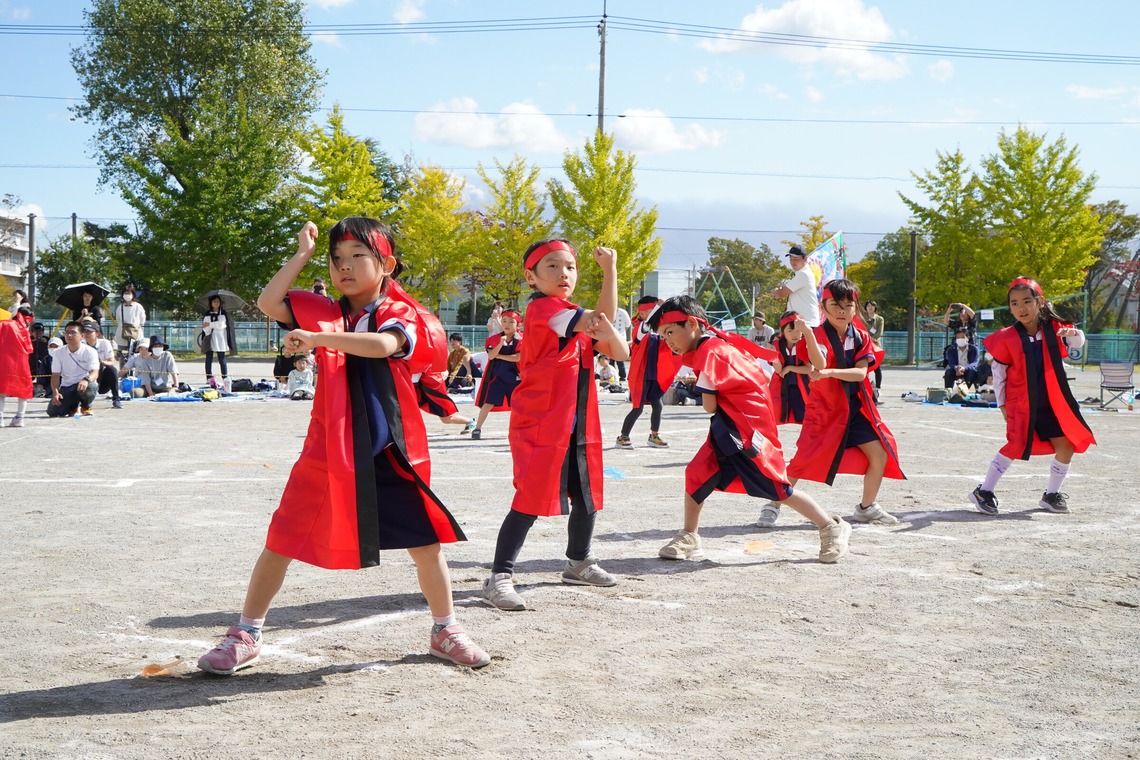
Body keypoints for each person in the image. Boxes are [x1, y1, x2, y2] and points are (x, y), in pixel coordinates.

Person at [197, 217, 489, 675]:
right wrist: (302, 256)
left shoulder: (397, 313)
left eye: (358, 257)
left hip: (389, 444)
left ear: (386, 264)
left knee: (425, 543)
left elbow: (382, 345)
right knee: (282, 537)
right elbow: (268, 301)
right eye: (337, 259)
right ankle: (246, 633)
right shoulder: (323, 311)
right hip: (329, 445)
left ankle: (444, 629)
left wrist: (317, 339)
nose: (345, 267)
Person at [481, 239, 629, 611]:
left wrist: (607, 320)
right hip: (542, 421)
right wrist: (609, 272)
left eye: (570, 267)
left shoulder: (571, 320)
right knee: (530, 499)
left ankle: (578, 561)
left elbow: (615, 345)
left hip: (578, 423)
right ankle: (499, 575)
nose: (564, 273)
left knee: (586, 496)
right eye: (552, 266)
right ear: (530, 277)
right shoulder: (545, 309)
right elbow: (602, 323)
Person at [648, 295, 851, 564]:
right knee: (697, 472)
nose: (668, 341)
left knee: (776, 487)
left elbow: (709, 406)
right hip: (735, 423)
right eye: (663, 336)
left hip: (743, 428)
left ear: (693, 324)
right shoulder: (718, 346)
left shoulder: (710, 353)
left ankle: (830, 526)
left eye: (670, 332)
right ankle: (689, 536)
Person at [782, 279, 905, 528]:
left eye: (848, 305)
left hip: (855, 407)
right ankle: (773, 502)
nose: (842, 310)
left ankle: (866, 507)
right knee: (801, 460)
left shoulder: (859, 336)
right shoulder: (816, 334)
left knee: (879, 453)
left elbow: (860, 374)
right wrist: (806, 333)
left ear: (855, 308)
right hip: (825, 409)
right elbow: (819, 362)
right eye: (835, 304)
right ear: (823, 306)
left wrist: (829, 374)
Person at [968, 277, 1095, 516]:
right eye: (1014, 303)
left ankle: (1051, 495)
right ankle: (983, 491)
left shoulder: (1055, 329)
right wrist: (1002, 404)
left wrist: (1073, 332)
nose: (1021, 308)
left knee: (1066, 444)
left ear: (1040, 301)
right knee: (1016, 445)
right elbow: (999, 374)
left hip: (1052, 402)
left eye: (1027, 301)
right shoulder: (1006, 337)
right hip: (1021, 403)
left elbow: (1077, 342)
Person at [616, 296, 677, 449]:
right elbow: (648, 322)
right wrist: (660, 306)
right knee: (638, 408)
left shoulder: (656, 331)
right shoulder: (640, 327)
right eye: (653, 311)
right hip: (640, 374)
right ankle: (623, 436)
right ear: (643, 313)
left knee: (658, 406)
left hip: (653, 374)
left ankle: (654, 435)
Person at [470, 309, 522, 440]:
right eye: (504, 321)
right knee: (488, 403)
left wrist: (498, 355)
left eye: (511, 322)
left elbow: (518, 358)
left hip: (515, 377)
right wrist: (500, 344)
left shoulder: (522, 339)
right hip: (496, 377)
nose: (507, 324)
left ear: (518, 325)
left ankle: (519, 431)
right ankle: (477, 428)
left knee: (519, 406)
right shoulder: (494, 339)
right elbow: (491, 356)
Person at [46, 320, 99, 417]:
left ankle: (85, 406)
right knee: (53, 412)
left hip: (84, 385)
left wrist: (86, 379)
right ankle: (74, 406)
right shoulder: (58, 353)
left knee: (90, 387)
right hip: (67, 387)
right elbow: (55, 375)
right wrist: (55, 393)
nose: (69, 335)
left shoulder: (90, 351)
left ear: (82, 336)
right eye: (67, 332)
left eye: (73, 332)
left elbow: (95, 372)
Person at [769, 311, 811, 425]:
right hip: (782, 386)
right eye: (790, 330)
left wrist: (790, 368)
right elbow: (778, 370)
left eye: (797, 330)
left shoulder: (807, 344)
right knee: (779, 414)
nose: (794, 334)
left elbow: (809, 369)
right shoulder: (777, 345)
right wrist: (773, 354)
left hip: (803, 385)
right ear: (782, 330)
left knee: (806, 417)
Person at [0, 305, 35, 427]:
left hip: (4, 361)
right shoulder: (25, 329)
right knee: (23, 390)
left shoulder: (5, 324)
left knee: (1, 390)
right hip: (21, 362)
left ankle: (0, 417)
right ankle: (20, 417)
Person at [770, 245, 820, 327]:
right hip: (801, 322)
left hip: (807, 322)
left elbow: (781, 293)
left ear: (805, 259)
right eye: (791, 259)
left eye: (796, 259)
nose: (793, 262)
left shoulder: (804, 274)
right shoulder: (801, 274)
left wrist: (775, 291)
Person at [81, 321, 122, 409]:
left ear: (97, 333)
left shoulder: (104, 343)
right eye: (85, 331)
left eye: (89, 331)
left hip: (101, 377)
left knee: (112, 369)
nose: (86, 334)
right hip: (87, 377)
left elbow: (112, 361)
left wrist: (101, 362)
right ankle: (85, 402)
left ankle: (116, 399)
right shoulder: (81, 345)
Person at [202, 294, 237, 389]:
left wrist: (210, 324)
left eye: (218, 301)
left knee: (222, 359)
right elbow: (205, 327)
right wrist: (213, 325)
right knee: (208, 359)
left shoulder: (223, 313)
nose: (216, 303)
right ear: (211, 303)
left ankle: (225, 377)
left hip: (221, 339)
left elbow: (221, 325)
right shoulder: (207, 313)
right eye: (214, 301)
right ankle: (209, 377)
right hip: (210, 338)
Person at [113, 285, 146, 361]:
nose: (127, 295)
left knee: (136, 357)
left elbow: (142, 320)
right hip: (122, 336)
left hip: (136, 336)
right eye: (125, 293)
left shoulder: (138, 306)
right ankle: (123, 372)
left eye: (129, 293)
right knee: (122, 357)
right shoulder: (120, 307)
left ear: (133, 294)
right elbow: (118, 320)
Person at [863, 300, 885, 395]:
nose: (870, 307)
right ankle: (865, 386)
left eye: (872, 306)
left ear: (875, 308)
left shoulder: (879, 319)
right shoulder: (862, 318)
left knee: (877, 367)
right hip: (865, 344)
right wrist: (866, 339)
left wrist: (872, 339)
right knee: (864, 366)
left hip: (875, 345)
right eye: (868, 306)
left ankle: (878, 388)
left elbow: (879, 332)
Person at [28, 322, 50, 397]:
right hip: (30, 364)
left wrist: (45, 342)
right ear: (32, 332)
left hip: (43, 365)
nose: (38, 334)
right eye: (35, 332)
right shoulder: (28, 341)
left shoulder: (46, 340)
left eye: (40, 332)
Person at [612, 304, 632, 383]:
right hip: (611, 338)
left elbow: (628, 324)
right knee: (611, 359)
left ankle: (622, 376)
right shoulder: (609, 312)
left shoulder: (622, 312)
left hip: (621, 338)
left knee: (620, 359)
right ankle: (613, 376)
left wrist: (622, 332)